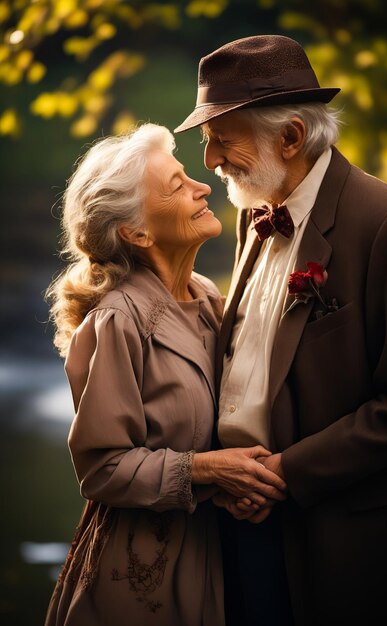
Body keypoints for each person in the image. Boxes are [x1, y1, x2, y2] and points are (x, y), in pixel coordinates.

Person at [174, 34, 387, 626]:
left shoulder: (384, 222)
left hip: (335, 533)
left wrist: (285, 474)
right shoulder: (254, 209)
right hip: (235, 512)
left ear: (289, 137)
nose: (208, 161)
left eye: (219, 140)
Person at [43, 122, 286, 626]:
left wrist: (232, 484)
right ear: (137, 232)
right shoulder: (118, 320)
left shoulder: (207, 296)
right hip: (140, 576)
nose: (202, 185)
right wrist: (208, 470)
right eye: (177, 185)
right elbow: (102, 469)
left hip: (220, 555)